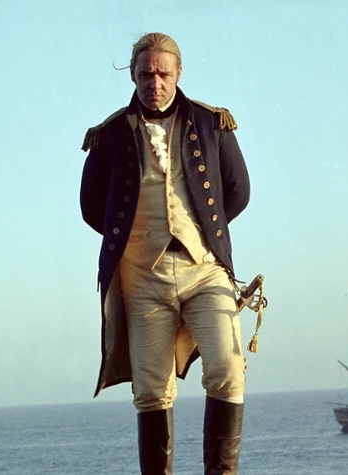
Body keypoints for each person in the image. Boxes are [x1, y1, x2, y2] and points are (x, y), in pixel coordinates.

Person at [80, 32, 250, 474]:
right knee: (151, 390)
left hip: (205, 270)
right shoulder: (108, 135)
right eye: (145, 74)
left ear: (178, 74)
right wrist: (136, 238)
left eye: (162, 74)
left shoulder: (212, 124)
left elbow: (238, 192)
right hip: (142, 276)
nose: (153, 83)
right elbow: (91, 207)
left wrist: (201, 231)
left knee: (229, 366)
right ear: (133, 76)